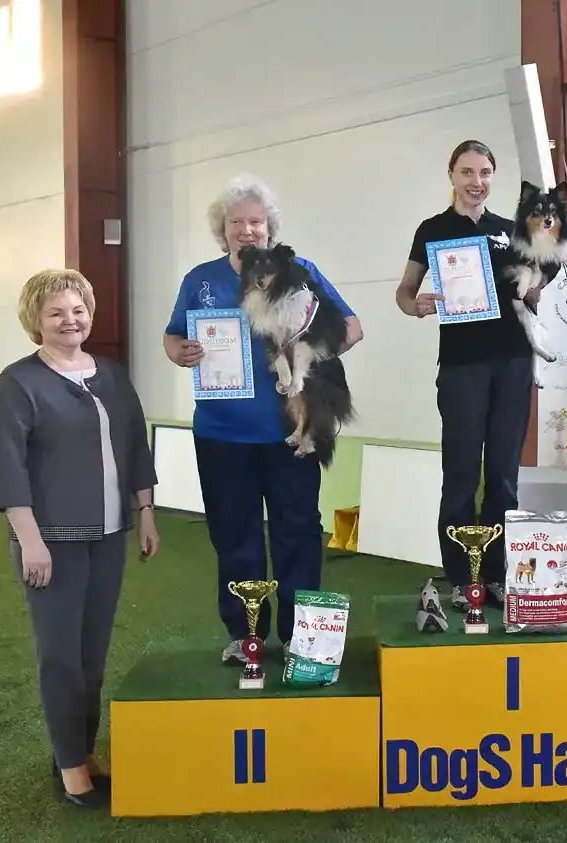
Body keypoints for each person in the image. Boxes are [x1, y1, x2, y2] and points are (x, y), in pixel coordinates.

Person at [163, 174, 362, 666]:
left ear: (269, 226)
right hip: (221, 433)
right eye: (236, 222)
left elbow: (351, 327)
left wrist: (309, 356)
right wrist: (180, 351)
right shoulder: (200, 280)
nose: (246, 230)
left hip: (290, 433)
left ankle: (302, 636)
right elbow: (172, 336)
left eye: (255, 221)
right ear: (223, 229)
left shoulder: (301, 270)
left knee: (299, 532)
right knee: (234, 535)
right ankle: (245, 634)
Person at [0, 269, 159, 808]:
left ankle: (78, 750)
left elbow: (135, 446)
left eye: (78, 310)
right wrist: (30, 541)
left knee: (92, 657)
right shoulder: (17, 383)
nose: (70, 320)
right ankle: (71, 769)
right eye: (56, 312)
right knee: (61, 656)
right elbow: (8, 466)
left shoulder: (111, 376)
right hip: (50, 541)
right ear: (35, 320)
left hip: (108, 536)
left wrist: (146, 512)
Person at [395, 139, 532, 612]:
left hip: (513, 361)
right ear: (451, 175)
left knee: (504, 475)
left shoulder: (510, 231)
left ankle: (497, 575)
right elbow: (405, 291)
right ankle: (461, 576)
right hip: (460, 366)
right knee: (460, 473)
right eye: (468, 172)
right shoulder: (432, 230)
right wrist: (416, 306)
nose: (477, 182)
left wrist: (539, 286)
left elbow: (531, 290)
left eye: (485, 173)